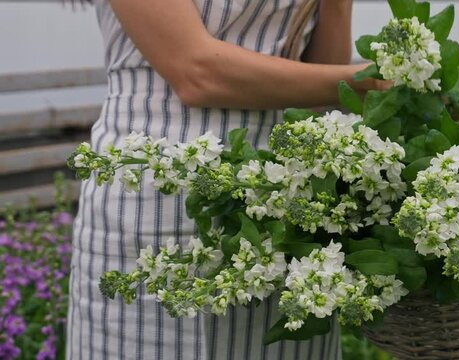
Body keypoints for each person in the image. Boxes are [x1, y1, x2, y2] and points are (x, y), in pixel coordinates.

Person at [67, 0, 387, 359]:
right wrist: (370, 81)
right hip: (157, 196)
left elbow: (316, 94)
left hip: (283, 206)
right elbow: (195, 72)